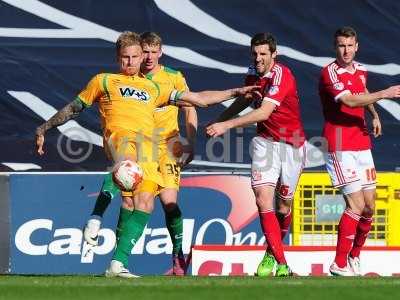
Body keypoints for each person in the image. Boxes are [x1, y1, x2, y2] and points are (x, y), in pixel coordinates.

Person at [35, 31, 259, 278]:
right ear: (117, 58)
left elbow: (197, 100)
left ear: (142, 56)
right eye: (125, 58)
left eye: (134, 57)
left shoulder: (153, 87)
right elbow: (74, 107)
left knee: (146, 203)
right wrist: (45, 127)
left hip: (150, 149)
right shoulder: (104, 81)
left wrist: (235, 92)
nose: (130, 62)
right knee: (126, 166)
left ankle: (117, 265)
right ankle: (96, 216)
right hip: (120, 138)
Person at [83, 31, 198, 276]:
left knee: (169, 203)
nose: (147, 57)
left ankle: (178, 254)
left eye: (152, 52)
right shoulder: (130, 78)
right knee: (128, 198)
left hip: (167, 146)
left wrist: (190, 140)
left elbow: (190, 106)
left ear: (160, 52)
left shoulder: (173, 77)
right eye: (144, 52)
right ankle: (119, 260)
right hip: (138, 145)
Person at [206, 32, 306, 277]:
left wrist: (226, 126)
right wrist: (220, 119)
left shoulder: (283, 75)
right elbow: (247, 100)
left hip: (292, 144)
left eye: (263, 54)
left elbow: (263, 112)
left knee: (283, 207)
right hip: (265, 142)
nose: (258, 58)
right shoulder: (253, 72)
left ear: (274, 54)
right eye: (255, 53)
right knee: (262, 199)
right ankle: (282, 265)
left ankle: (271, 254)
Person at [319, 26, 400, 276]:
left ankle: (354, 257)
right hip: (340, 144)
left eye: (349, 45)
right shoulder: (329, 73)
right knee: (354, 204)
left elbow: (362, 92)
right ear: (336, 47)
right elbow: (349, 100)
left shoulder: (361, 70)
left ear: (357, 47)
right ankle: (339, 263)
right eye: (341, 45)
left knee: (369, 207)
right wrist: (385, 94)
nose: (345, 50)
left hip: (362, 143)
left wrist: (374, 114)